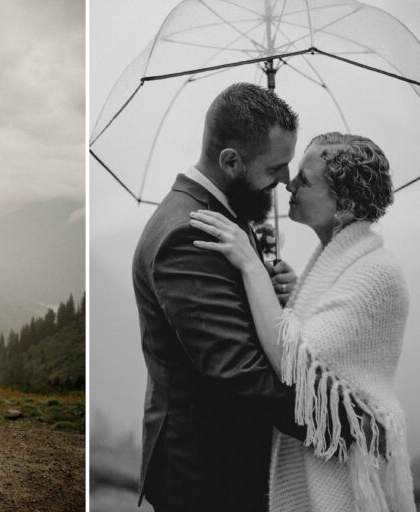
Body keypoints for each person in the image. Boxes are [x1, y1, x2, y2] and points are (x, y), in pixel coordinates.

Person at [190, 132, 415, 511]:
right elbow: (322, 338)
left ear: (343, 203)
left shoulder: (377, 273)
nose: (288, 183)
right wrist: (298, 298)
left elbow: (296, 364)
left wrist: (250, 266)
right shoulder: (339, 262)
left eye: (305, 180)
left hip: (349, 477)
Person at [131, 82, 308, 511]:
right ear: (230, 160)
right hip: (206, 473)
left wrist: (268, 289)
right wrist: (330, 420)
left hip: (218, 460)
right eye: (275, 168)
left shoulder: (224, 211)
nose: (286, 180)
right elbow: (237, 369)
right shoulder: (189, 233)